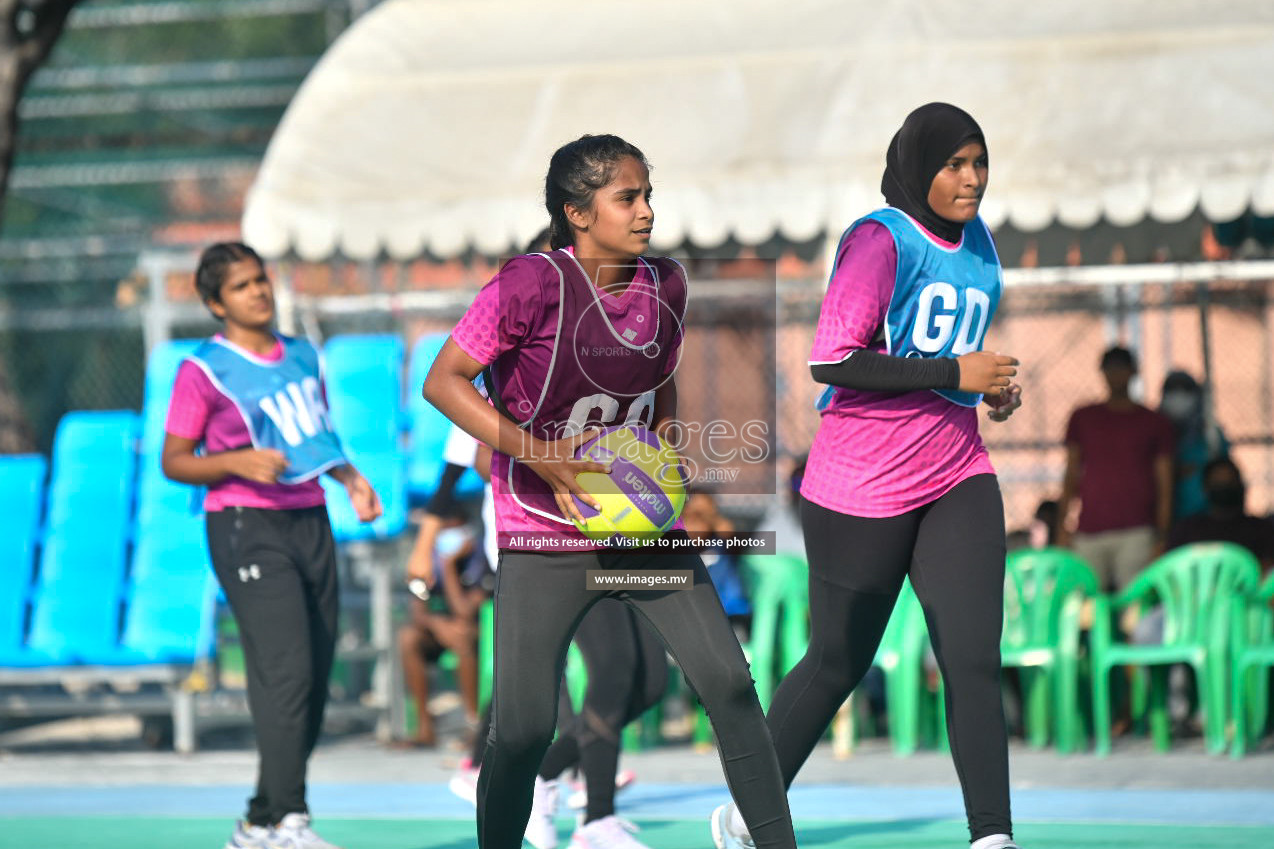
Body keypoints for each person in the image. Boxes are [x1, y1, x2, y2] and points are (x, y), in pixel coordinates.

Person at [423, 134, 797, 849]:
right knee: (527, 725)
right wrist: (547, 458)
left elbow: (661, 374)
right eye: (628, 197)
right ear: (578, 212)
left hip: (636, 532)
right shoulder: (526, 286)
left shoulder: (667, 285)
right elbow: (443, 381)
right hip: (543, 530)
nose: (646, 210)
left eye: (649, 193)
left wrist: (663, 453)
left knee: (728, 682)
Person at [710, 103, 1025, 849]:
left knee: (974, 656)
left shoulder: (980, 243)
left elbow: (950, 353)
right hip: (862, 484)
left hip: (956, 470)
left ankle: (992, 837)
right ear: (918, 166)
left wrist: (988, 390)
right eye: (954, 164)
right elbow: (832, 358)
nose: (971, 178)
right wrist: (958, 369)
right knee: (836, 660)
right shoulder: (880, 241)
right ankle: (744, 811)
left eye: (979, 162)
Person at [161, 242, 382, 849]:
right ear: (215, 303)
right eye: (240, 286)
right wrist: (236, 461)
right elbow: (174, 462)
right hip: (244, 526)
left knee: (312, 672)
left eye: (260, 280)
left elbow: (316, 434)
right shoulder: (203, 371)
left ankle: (259, 821)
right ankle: (290, 820)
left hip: (310, 519)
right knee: (286, 671)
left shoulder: (304, 356)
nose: (258, 292)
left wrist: (350, 478)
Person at [1056, 346, 1175, 593]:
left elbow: (1165, 482)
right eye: (1111, 369)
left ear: (1133, 372)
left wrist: (1161, 535)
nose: (1116, 375)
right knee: (1084, 607)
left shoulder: (1154, 422)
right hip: (1089, 529)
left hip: (1137, 530)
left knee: (1133, 607)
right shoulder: (1083, 417)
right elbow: (1071, 473)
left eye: (1122, 368)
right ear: (1103, 373)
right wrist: (1063, 525)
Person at [396, 503, 488, 748]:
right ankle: (425, 728)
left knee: (462, 636)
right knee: (408, 638)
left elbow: (465, 611)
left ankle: (473, 725)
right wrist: (439, 625)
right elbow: (418, 611)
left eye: (453, 528)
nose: (448, 534)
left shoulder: (479, 557)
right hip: (441, 629)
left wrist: (448, 566)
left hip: (480, 634)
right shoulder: (426, 558)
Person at [1167, 456, 1274, 571]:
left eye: (1230, 482)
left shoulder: (1260, 529)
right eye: (1219, 483)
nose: (1225, 488)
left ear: (1241, 486)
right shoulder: (1187, 529)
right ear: (1205, 489)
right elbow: (1168, 569)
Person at [1158, 370, 1228, 521]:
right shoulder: (1155, 433)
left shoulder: (1211, 434)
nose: (1178, 397)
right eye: (1172, 390)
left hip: (1207, 518)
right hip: (1167, 520)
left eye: (1184, 390)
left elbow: (1225, 472)